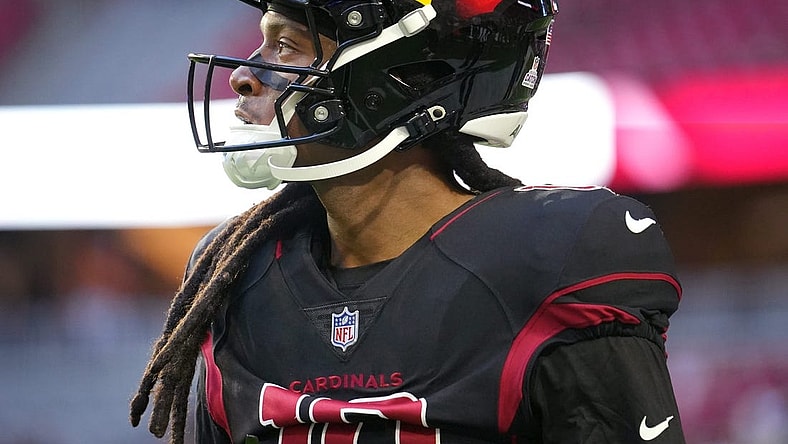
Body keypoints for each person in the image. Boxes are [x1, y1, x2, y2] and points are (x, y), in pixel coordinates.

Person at [130, 0, 686, 443]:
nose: (245, 76)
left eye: (286, 45)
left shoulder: (552, 256)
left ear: (399, 74)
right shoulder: (235, 277)